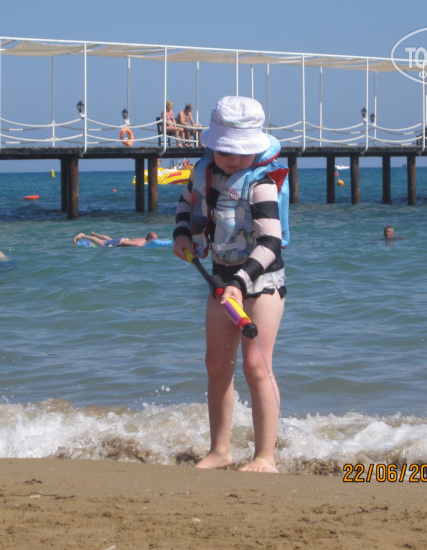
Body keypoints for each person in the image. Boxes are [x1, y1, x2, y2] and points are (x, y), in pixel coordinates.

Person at [173, 96, 288, 474]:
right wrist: (181, 234)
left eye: (241, 152)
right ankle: (220, 450)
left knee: (256, 364)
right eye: (225, 151)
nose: (233, 159)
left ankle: (265, 456)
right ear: (212, 146)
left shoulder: (261, 182)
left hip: (261, 280)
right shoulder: (203, 173)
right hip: (220, 277)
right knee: (217, 364)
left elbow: (270, 242)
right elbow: (185, 203)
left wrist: (241, 281)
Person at [73, 230, 159, 247]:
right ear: (149, 238)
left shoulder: (144, 239)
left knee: (109, 239)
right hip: (121, 242)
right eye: (154, 239)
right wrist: (115, 246)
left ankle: (95, 234)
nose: (155, 241)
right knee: (102, 243)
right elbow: (125, 243)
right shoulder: (140, 244)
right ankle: (82, 236)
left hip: (124, 239)